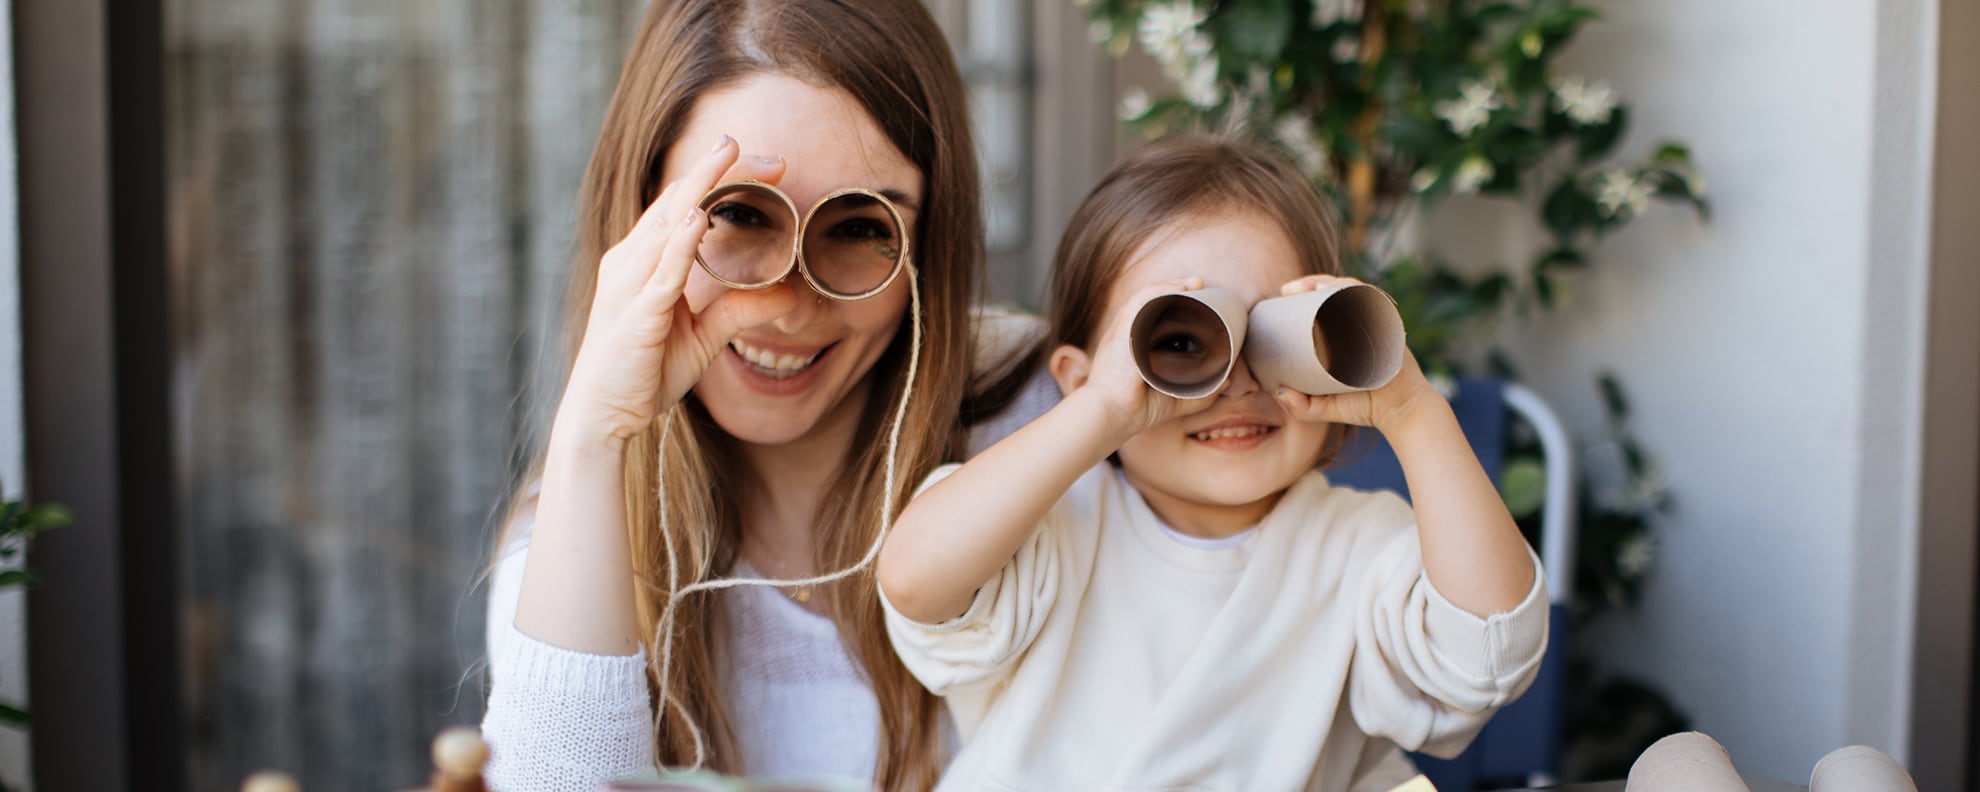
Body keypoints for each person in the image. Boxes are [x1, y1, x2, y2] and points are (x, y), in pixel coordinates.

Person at [876, 137, 1550, 791]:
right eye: (1177, 341)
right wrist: (1103, 409)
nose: (1236, 381)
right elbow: (914, 580)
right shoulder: (1056, 528)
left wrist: (1414, 411)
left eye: (1270, 336)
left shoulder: (1356, 548)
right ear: (1081, 381)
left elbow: (1488, 652)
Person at [479, 1, 990, 789]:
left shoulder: (1043, 439)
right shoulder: (576, 534)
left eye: (858, 228)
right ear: (643, 210)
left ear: (930, 245)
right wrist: (593, 435)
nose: (787, 300)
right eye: (739, 213)